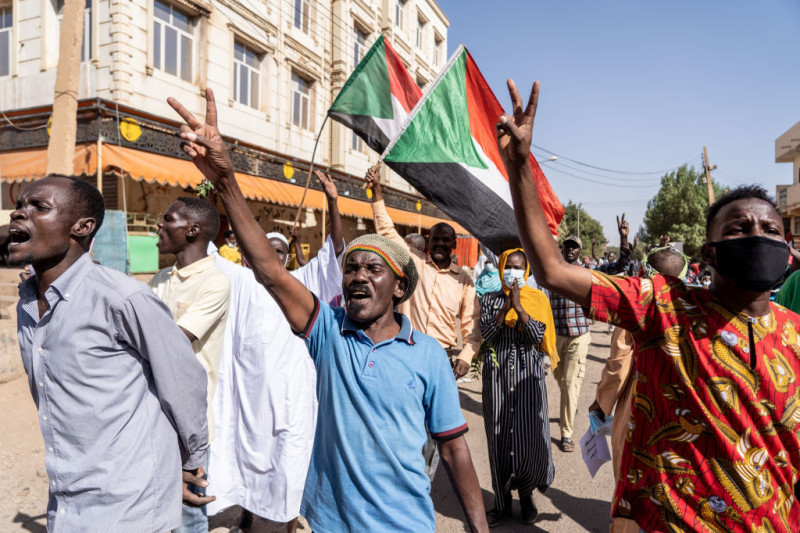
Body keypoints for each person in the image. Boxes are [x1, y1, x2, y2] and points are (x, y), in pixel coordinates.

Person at [168, 88, 489, 533]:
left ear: (399, 288)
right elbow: (270, 272)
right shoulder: (327, 331)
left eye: (372, 269)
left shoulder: (429, 356)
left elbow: (454, 451)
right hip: (326, 523)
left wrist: (479, 529)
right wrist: (225, 179)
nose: (357, 276)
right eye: (351, 268)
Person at [497, 78, 800, 531]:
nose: (757, 236)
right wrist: (520, 166)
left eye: (770, 230)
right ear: (709, 253)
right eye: (738, 229)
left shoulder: (796, 330)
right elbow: (553, 272)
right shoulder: (661, 305)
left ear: (790, 250)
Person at [10, 175, 210, 532]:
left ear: (82, 227)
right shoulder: (27, 305)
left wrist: (188, 461)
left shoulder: (122, 299)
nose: (19, 214)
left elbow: (183, 380)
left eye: (39, 207)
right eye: (19, 206)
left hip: (128, 503)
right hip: (68, 501)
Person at [209, 169, 345, 533]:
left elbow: (334, 252)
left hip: (293, 392)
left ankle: (287, 520)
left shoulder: (304, 281)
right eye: (267, 249)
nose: (274, 255)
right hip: (247, 391)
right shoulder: (237, 278)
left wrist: (332, 201)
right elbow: (205, 246)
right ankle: (248, 513)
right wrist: (210, 191)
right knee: (245, 451)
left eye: (280, 251)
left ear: (287, 257)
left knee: (290, 454)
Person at [588, 246, 689, 533]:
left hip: (640, 406)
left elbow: (619, 363)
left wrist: (601, 403)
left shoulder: (638, 306)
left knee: (632, 483)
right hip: (683, 411)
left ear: (644, 273)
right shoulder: (697, 308)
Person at [149, 197, 231, 533]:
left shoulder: (215, 282)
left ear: (192, 230)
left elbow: (170, 343)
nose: (159, 225)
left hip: (187, 423)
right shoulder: (160, 279)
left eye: (168, 219)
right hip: (152, 415)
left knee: (189, 516)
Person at [365, 163, 482, 380]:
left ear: (453, 245)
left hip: (441, 359)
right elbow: (387, 231)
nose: (440, 244)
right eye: (436, 239)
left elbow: (471, 323)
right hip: (407, 352)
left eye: (446, 240)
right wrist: (377, 191)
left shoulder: (464, 281)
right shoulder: (413, 263)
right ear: (429, 241)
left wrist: (466, 356)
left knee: (438, 414)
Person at [480, 248, 557, 527]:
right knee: (499, 438)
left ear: (526, 271)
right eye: (508, 266)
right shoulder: (489, 299)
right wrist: (505, 308)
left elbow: (539, 335)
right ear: (501, 268)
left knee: (528, 438)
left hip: (528, 377)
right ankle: (501, 504)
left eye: (518, 266)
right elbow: (486, 334)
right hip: (498, 378)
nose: (513, 271)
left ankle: (526, 496)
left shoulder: (537, 298)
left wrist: (520, 308)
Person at [546, 234, 591, 452]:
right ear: (563, 249)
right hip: (557, 336)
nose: (571, 250)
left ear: (580, 252)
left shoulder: (586, 273)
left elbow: (613, 269)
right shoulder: (554, 271)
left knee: (570, 383)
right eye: (567, 247)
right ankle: (568, 403)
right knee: (560, 377)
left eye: (575, 248)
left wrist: (624, 247)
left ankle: (566, 433)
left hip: (579, 335)